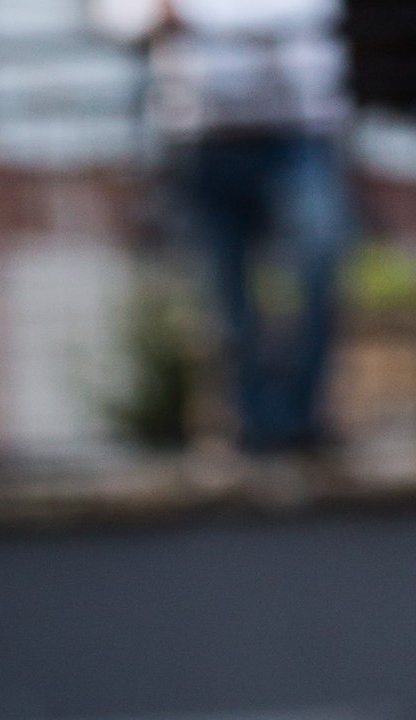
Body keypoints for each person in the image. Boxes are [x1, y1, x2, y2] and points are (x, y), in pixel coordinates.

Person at [94, 0, 354, 454]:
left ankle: (302, 417)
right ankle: (258, 425)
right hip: (202, 139)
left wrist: (193, 19)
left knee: (319, 262)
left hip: (299, 130)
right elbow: (117, 16)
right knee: (225, 295)